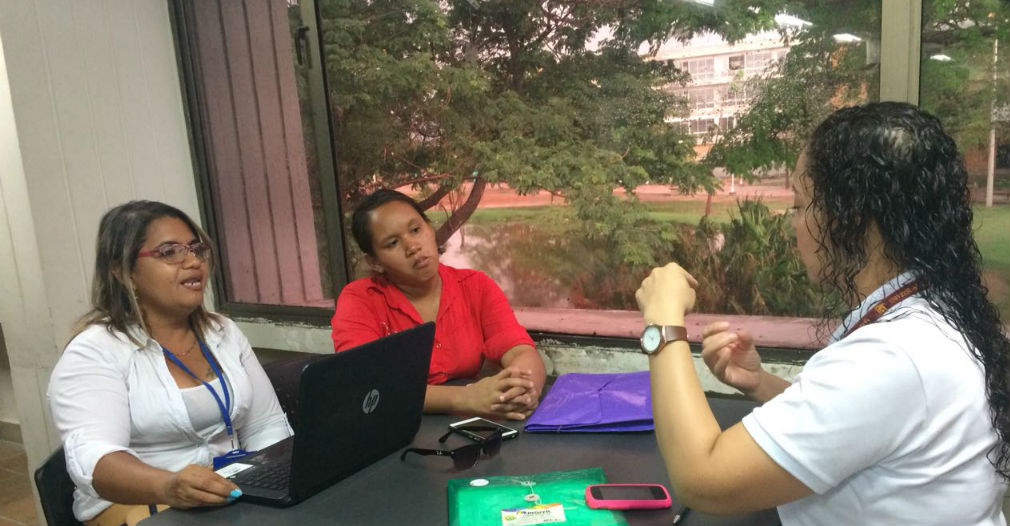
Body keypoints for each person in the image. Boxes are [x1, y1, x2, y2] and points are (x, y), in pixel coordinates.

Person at [635, 102, 1009, 524]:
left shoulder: (893, 358)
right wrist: (762, 384)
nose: (791, 222)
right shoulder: (935, 311)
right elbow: (864, 428)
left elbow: (702, 480)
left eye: (799, 203)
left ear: (848, 218)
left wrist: (662, 321)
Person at [48, 201, 292, 526]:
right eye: (169, 252)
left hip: (225, 491)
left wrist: (280, 482)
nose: (192, 261)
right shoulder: (94, 352)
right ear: (123, 271)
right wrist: (168, 486)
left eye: (196, 249)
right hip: (138, 504)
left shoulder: (223, 332)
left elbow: (266, 426)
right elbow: (94, 461)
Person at [331, 189, 546, 420]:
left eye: (416, 230)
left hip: (467, 427)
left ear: (429, 228)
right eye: (392, 243)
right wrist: (467, 397)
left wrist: (523, 391)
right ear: (374, 262)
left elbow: (520, 351)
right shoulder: (360, 300)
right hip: (397, 428)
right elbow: (365, 385)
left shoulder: (475, 286)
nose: (412, 246)